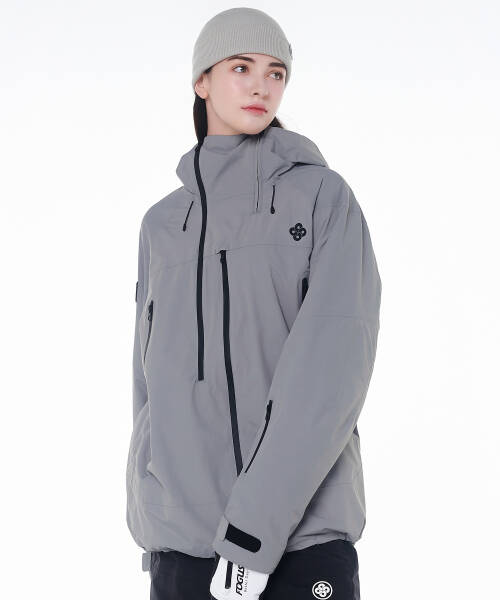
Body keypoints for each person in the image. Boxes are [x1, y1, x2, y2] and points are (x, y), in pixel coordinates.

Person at [125, 7, 382, 600]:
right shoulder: (161, 225)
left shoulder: (321, 198)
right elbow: (148, 384)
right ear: (202, 81)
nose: (261, 85)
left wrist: (251, 535)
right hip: (181, 548)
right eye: (241, 67)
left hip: (301, 542)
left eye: (276, 72)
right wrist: (151, 506)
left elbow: (330, 373)